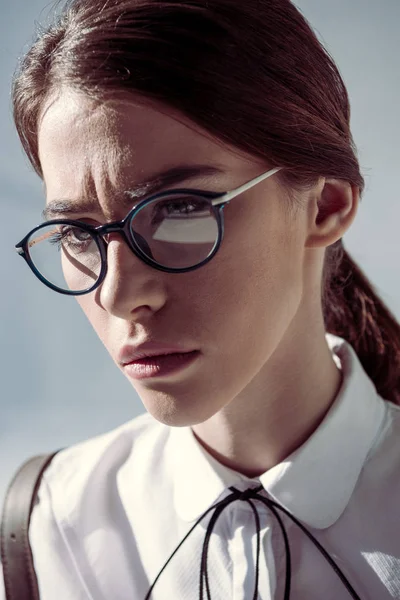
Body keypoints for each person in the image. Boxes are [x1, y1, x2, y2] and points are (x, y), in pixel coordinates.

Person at [2, 0, 400, 598]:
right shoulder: (52, 524)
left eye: (180, 211)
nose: (117, 294)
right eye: (77, 235)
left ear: (326, 204)